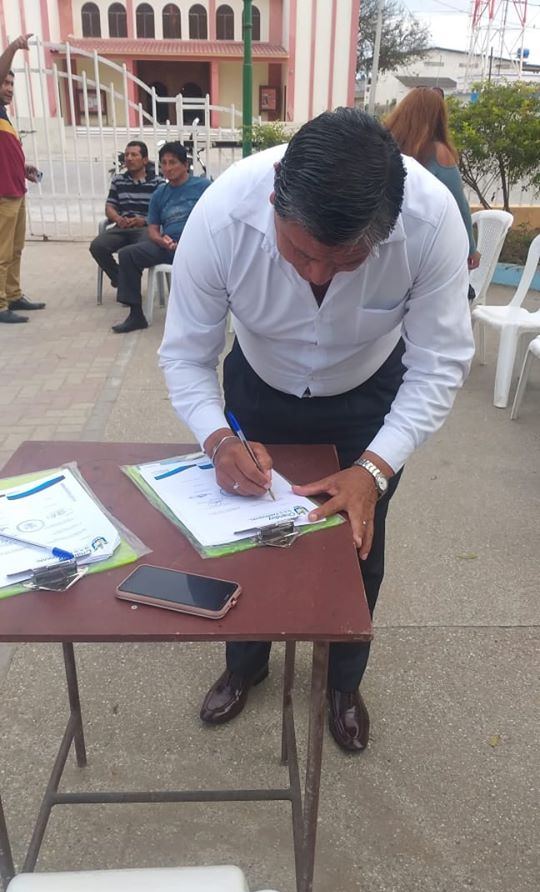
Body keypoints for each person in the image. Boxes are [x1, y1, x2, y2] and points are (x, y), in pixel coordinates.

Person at [159, 108, 475, 753]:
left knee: (357, 546)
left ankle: (342, 680)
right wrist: (218, 440)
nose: (318, 276)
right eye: (301, 252)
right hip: (259, 390)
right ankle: (244, 664)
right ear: (275, 196)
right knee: (247, 534)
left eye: (347, 260)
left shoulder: (430, 219)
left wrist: (375, 468)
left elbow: (440, 362)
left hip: (368, 397)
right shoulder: (221, 218)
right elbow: (186, 354)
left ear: (387, 227)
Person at [112, 141, 211, 333]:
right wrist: (161, 241)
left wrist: (196, 241)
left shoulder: (202, 187)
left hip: (198, 247)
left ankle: (200, 316)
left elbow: (216, 218)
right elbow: (153, 230)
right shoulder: (159, 194)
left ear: (185, 165)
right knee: (127, 254)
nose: (167, 168)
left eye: (172, 162)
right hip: (169, 246)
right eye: (164, 163)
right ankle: (136, 315)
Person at [384, 87, 481, 280]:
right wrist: (471, 249)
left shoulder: (384, 145)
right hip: (425, 247)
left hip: (385, 241)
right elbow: (458, 204)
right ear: (438, 117)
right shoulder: (440, 153)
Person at [0, 36, 46, 325]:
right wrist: (14, 48)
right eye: (4, 82)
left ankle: (13, 294)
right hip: (3, 196)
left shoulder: (5, 117)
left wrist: (22, 168)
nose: (8, 88)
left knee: (15, 250)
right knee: (1, 252)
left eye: (11, 84)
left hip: (16, 191)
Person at [89, 140, 162, 291]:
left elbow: (163, 212)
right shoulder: (118, 180)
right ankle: (121, 280)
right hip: (122, 227)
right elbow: (110, 206)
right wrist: (117, 219)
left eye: (134, 155)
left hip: (145, 228)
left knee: (137, 251)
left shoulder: (157, 183)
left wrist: (144, 220)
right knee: (97, 246)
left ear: (145, 160)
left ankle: (127, 287)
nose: (129, 158)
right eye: (127, 155)